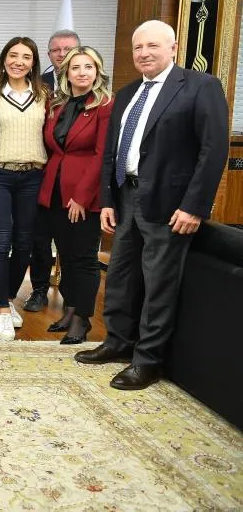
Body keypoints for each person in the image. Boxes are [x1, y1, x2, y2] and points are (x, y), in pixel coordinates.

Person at [76, 20, 228, 390]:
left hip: (170, 204)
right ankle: (117, 342)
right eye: (138, 47)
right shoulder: (128, 92)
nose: (144, 53)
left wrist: (195, 206)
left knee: (158, 284)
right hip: (125, 197)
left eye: (152, 46)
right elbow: (112, 152)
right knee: (120, 276)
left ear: (173, 48)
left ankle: (147, 361)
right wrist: (108, 200)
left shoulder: (201, 86)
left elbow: (213, 151)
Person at [37, 46, 113, 344]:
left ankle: (83, 318)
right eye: (76, 67)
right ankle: (69, 310)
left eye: (88, 67)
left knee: (83, 258)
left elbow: (102, 155)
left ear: (97, 72)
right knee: (65, 255)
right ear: (66, 73)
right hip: (54, 191)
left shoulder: (105, 105)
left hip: (84, 195)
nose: (82, 73)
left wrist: (82, 196)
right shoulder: (57, 104)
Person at [0, 37, 50, 341]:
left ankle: (9, 298)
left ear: (33, 63)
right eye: (13, 55)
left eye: (26, 57)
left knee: (25, 243)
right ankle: (1, 309)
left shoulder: (44, 95)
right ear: (4, 59)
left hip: (33, 176)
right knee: (1, 241)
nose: (19, 62)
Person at [26, 29, 81, 312]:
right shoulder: (37, 84)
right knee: (39, 237)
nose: (62, 54)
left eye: (68, 49)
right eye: (56, 50)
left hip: (73, 177)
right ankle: (39, 290)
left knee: (70, 240)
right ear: (48, 55)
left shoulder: (90, 85)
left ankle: (72, 297)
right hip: (40, 173)